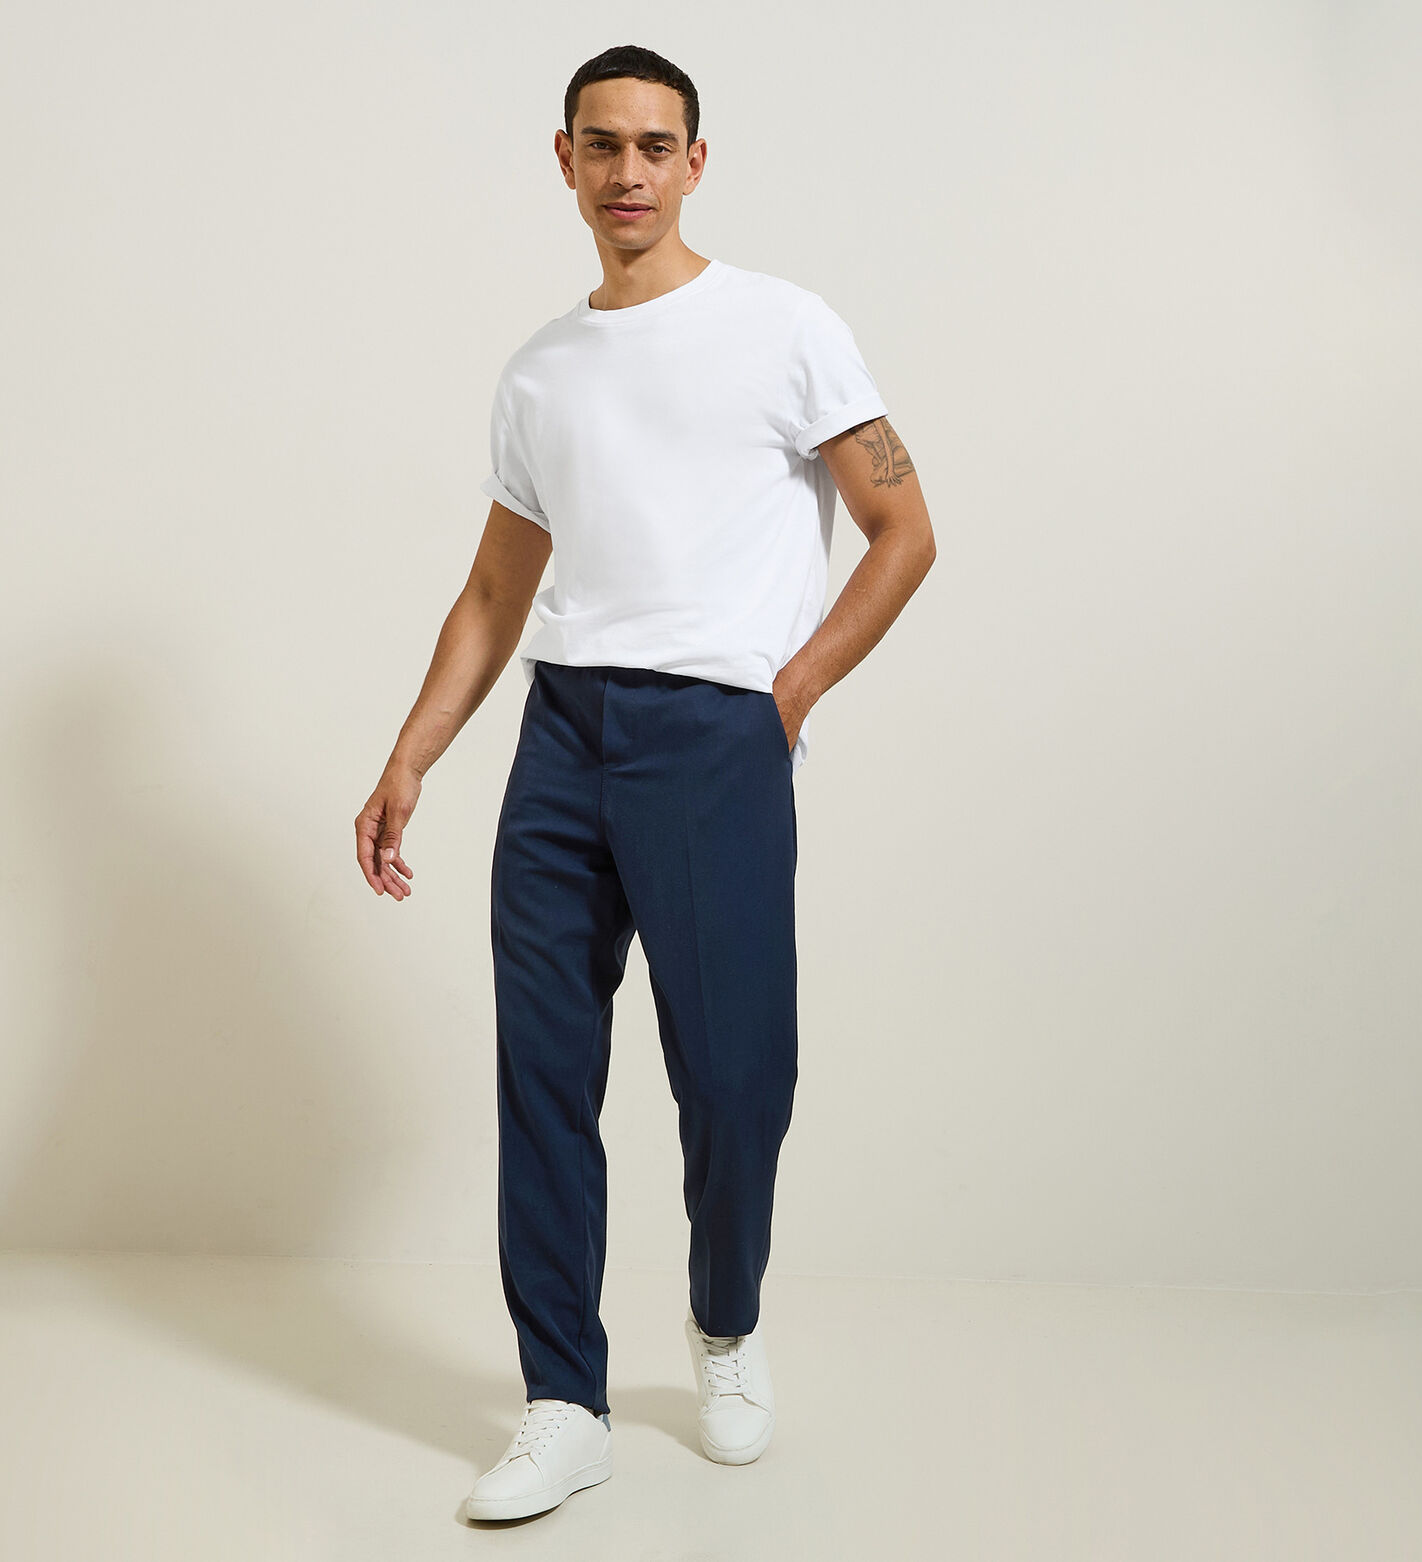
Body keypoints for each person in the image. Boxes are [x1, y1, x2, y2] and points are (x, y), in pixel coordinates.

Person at [354, 44, 936, 1524]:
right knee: (544, 1073)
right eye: (601, 145)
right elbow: (497, 590)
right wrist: (412, 754)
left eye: (655, 145)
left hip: (713, 736)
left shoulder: (783, 327)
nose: (628, 172)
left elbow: (905, 530)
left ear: (695, 162)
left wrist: (785, 694)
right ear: (564, 161)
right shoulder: (540, 370)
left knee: (736, 1078)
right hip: (562, 735)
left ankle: (724, 1320)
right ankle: (564, 1398)